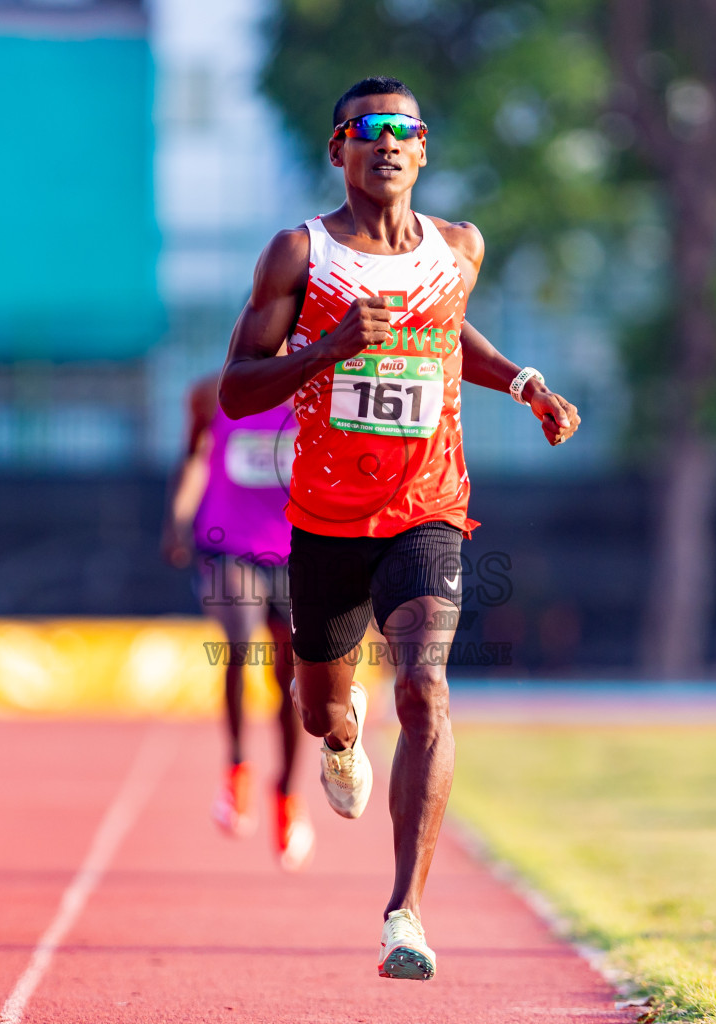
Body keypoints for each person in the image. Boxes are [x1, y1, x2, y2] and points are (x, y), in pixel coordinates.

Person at [218, 76, 580, 980]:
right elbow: (235, 388)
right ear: (338, 149)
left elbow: (453, 335)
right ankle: (344, 740)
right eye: (367, 129)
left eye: (404, 130)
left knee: (425, 687)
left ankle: (404, 914)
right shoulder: (297, 256)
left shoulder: (459, 249)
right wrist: (329, 347)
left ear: (423, 151)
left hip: (428, 510)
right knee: (321, 711)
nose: (387, 142)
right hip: (326, 520)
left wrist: (527, 384)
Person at [162, 375, 314, 871]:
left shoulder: (317, 390)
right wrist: (179, 519)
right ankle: (236, 765)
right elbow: (196, 458)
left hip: (295, 550)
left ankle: (288, 793)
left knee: (290, 677)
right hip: (230, 545)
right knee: (239, 643)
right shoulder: (213, 393)